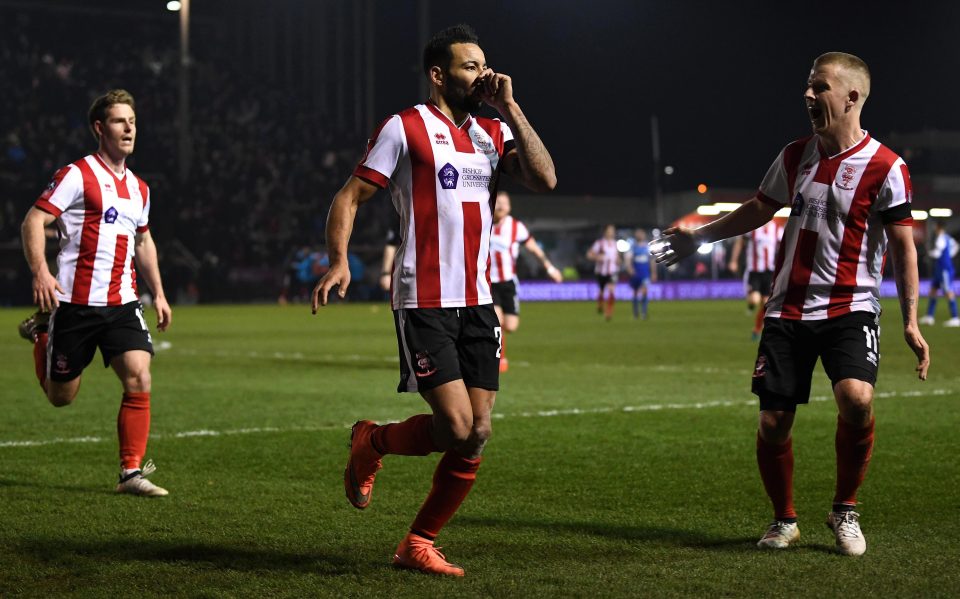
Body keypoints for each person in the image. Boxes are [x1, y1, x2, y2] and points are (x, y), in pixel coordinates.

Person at [651, 52, 929, 556]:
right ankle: (785, 520)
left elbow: (905, 247)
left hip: (852, 307)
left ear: (851, 97)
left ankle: (845, 508)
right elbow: (759, 209)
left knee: (857, 399)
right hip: (787, 309)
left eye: (819, 87)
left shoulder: (887, 166)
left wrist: (910, 320)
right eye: (807, 86)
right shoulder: (794, 155)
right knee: (773, 423)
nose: (807, 95)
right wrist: (699, 236)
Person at [311, 24, 556, 576]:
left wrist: (512, 108)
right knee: (455, 425)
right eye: (471, 66)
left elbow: (546, 178)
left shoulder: (493, 132)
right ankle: (371, 441)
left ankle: (417, 542)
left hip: (478, 302)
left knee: (477, 433)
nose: (483, 74)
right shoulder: (405, 127)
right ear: (439, 74)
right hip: (423, 298)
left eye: (485, 64)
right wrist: (339, 260)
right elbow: (350, 197)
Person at [18, 89, 172, 496]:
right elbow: (33, 221)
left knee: (139, 375)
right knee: (60, 397)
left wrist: (158, 292)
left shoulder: (140, 189)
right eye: (120, 121)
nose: (129, 129)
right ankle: (42, 333)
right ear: (99, 128)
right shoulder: (77, 175)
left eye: (133, 122)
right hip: (75, 304)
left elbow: (143, 241)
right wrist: (41, 273)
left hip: (122, 303)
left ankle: (130, 474)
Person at [489, 190, 562, 372]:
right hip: (489, 283)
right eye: (498, 202)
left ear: (509, 207)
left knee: (511, 326)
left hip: (509, 283)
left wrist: (550, 268)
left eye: (504, 203)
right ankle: (499, 359)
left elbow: (534, 249)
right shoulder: (483, 223)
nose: (501, 205)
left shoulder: (516, 227)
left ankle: (497, 343)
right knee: (496, 322)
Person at [728, 220, 782, 339]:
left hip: (769, 272)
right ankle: (751, 305)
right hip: (754, 271)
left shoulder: (777, 229)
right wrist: (733, 260)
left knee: (766, 305)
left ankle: (757, 329)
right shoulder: (753, 227)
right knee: (755, 300)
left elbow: (783, 246)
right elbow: (739, 242)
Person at [919, 220, 959, 326]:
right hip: (940, 268)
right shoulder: (948, 238)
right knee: (933, 290)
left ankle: (955, 317)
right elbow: (956, 247)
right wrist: (949, 255)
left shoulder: (941, 238)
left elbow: (937, 253)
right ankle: (929, 316)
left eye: (935, 226)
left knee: (948, 291)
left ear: (938, 227)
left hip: (944, 269)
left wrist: (928, 254)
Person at [587, 224, 620, 320]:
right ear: (605, 232)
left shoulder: (615, 243)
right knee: (601, 291)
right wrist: (597, 257)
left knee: (611, 290)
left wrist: (618, 261)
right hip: (601, 271)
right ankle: (600, 304)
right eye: (610, 230)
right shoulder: (599, 243)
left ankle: (608, 312)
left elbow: (617, 257)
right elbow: (589, 254)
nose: (612, 232)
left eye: (613, 230)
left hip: (612, 271)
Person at [625, 228, 657, 320]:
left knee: (644, 291)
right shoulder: (633, 247)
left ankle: (644, 312)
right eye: (638, 234)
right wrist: (630, 269)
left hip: (645, 273)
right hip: (635, 273)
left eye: (641, 233)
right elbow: (628, 259)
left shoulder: (648, 247)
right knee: (635, 292)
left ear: (644, 235)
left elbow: (652, 261)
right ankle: (635, 313)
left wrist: (654, 273)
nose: (639, 235)